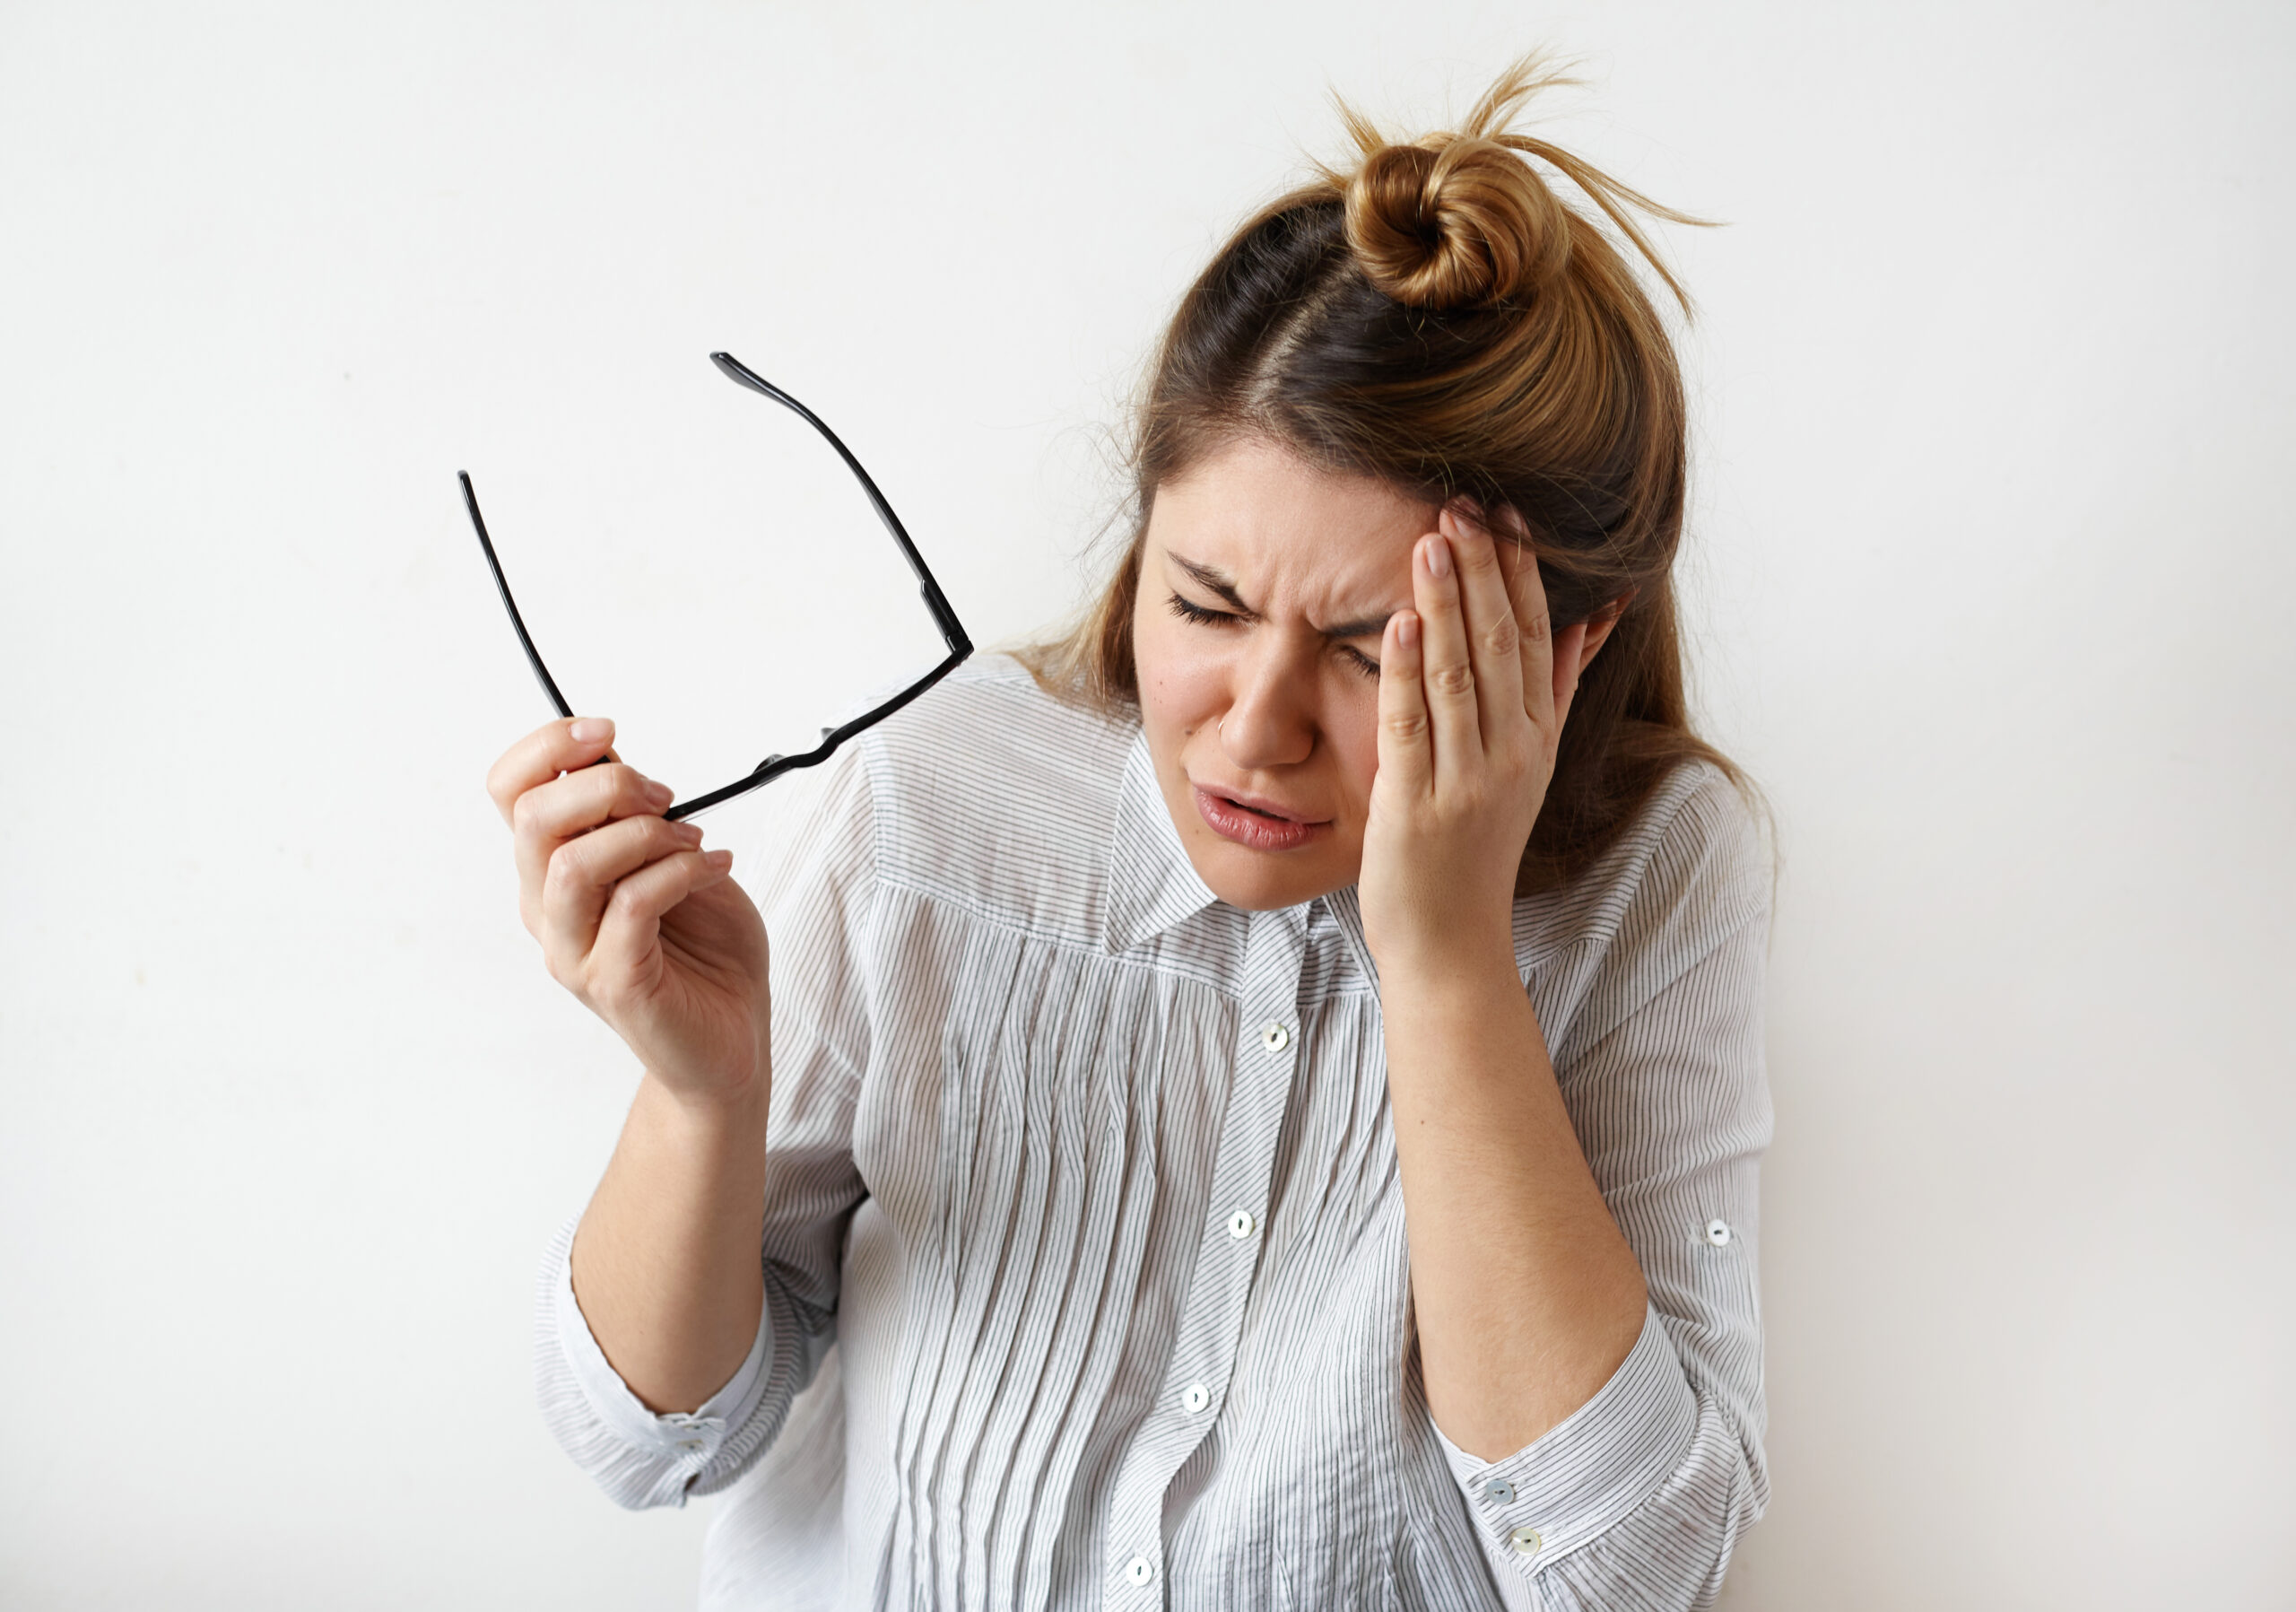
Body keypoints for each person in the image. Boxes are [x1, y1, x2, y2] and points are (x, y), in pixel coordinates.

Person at [487, 51, 1776, 1612]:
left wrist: (1443, 961)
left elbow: (1633, 1569)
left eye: (1373, 652)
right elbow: (648, 1440)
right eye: (1206, 604)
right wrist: (702, 1098)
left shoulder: (1663, 869)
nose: (1254, 727)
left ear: (1568, 648)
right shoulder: (941, 796)